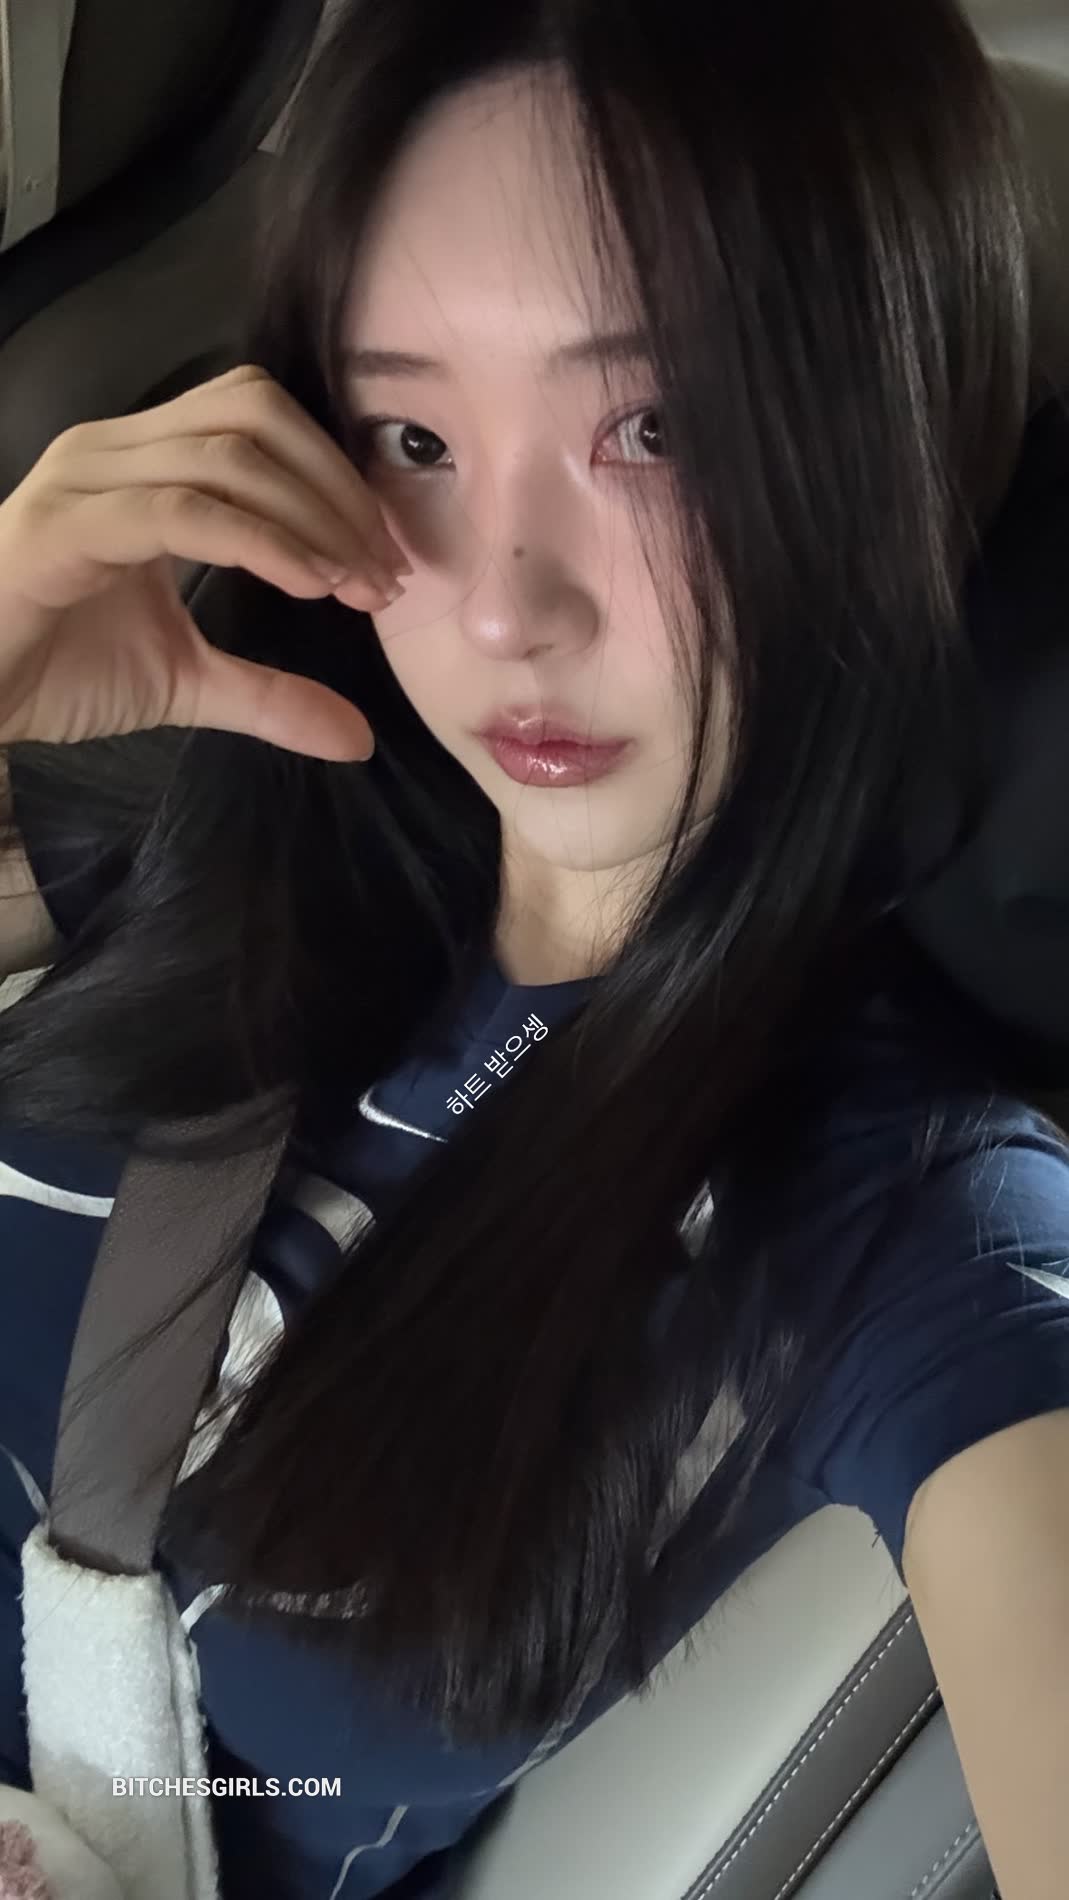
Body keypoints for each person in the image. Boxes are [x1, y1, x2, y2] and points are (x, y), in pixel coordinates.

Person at [0, 0, 1067, 1896]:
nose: (501, 609)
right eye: (413, 433)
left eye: (656, 430)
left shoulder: (897, 1209)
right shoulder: (235, 787)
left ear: (895, 447)